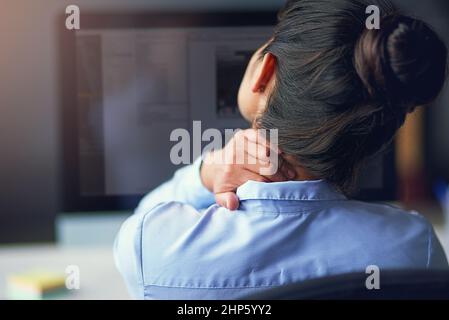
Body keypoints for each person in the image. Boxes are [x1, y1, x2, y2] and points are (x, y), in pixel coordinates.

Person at [114, 0, 449, 299]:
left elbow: (140, 224)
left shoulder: (156, 248)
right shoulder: (416, 249)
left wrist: (205, 173)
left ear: (266, 71)